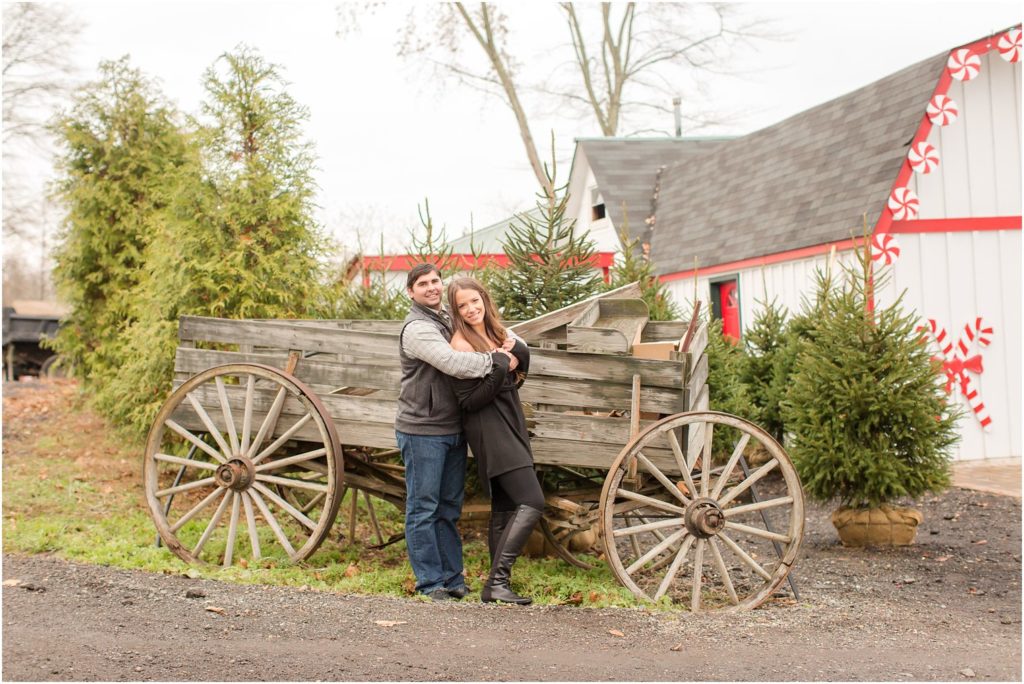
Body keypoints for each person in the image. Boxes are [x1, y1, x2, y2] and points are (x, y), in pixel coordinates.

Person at [395, 263, 518, 601]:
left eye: (436, 281)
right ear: (411, 292)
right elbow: (453, 362)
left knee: (449, 507)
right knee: (424, 508)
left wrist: (513, 344)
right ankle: (431, 583)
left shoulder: (447, 319)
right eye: (423, 284)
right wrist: (498, 362)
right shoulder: (417, 329)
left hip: (453, 428)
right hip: (423, 430)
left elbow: (486, 326)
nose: (432, 287)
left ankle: (453, 579)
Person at [446, 276, 544, 605]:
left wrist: (514, 359)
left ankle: (498, 585)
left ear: (484, 299)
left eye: (474, 301)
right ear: (456, 311)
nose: (471, 309)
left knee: (504, 506)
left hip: (508, 421)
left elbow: (513, 377)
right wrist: (501, 365)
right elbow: (469, 400)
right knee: (532, 501)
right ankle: (497, 582)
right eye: (463, 305)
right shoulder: (461, 343)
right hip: (489, 428)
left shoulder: (497, 333)